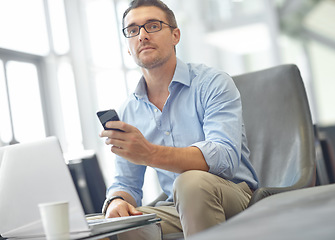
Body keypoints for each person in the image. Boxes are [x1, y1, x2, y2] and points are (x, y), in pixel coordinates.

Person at [100, 0, 259, 238]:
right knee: (121, 226)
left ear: (175, 35)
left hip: (233, 195)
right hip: (175, 207)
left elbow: (224, 159)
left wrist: (150, 153)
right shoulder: (129, 110)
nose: (142, 35)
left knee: (191, 183)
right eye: (133, 30)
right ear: (128, 46)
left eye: (152, 26)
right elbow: (126, 182)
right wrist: (116, 201)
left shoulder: (213, 83)